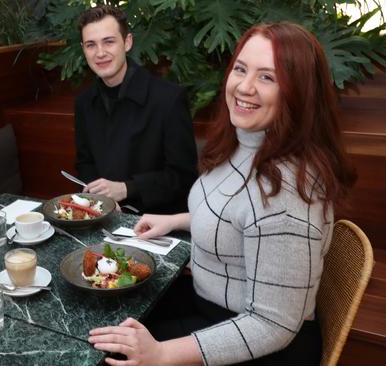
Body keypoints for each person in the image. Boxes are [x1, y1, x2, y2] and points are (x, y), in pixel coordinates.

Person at [88, 22, 356, 365]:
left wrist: (161, 354)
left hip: (262, 344)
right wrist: (175, 221)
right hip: (216, 306)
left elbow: (272, 325)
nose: (244, 87)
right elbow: (239, 219)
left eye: (267, 77)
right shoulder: (247, 144)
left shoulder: (286, 200)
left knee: (107, 355)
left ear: (299, 92)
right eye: (241, 69)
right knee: (110, 319)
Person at [74, 5, 198, 214]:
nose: (100, 53)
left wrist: (126, 189)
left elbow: (183, 177)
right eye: (91, 45)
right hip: (103, 217)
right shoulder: (84, 102)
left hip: (159, 224)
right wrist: (100, 202)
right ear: (83, 49)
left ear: (128, 42)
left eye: (109, 41)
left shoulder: (168, 99)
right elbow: (85, 164)